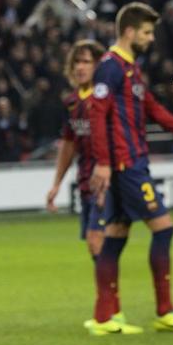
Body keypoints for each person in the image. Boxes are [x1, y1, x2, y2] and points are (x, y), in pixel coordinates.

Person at [87, 2, 173, 336]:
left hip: (128, 163)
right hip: (126, 164)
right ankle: (165, 311)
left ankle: (104, 317)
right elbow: (96, 115)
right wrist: (103, 162)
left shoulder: (130, 68)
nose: (151, 38)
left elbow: (153, 109)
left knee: (116, 236)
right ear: (129, 31)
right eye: (146, 32)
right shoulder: (110, 67)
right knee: (163, 228)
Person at [46, 40, 106, 262]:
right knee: (96, 247)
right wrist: (56, 184)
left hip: (106, 181)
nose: (80, 67)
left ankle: (108, 289)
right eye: (76, 62)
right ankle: (109, 284)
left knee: (96, 241)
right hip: (85, 182)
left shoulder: (105, 99)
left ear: (97, 66)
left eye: (86, 62)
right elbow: (68, 145)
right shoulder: (71, 102)